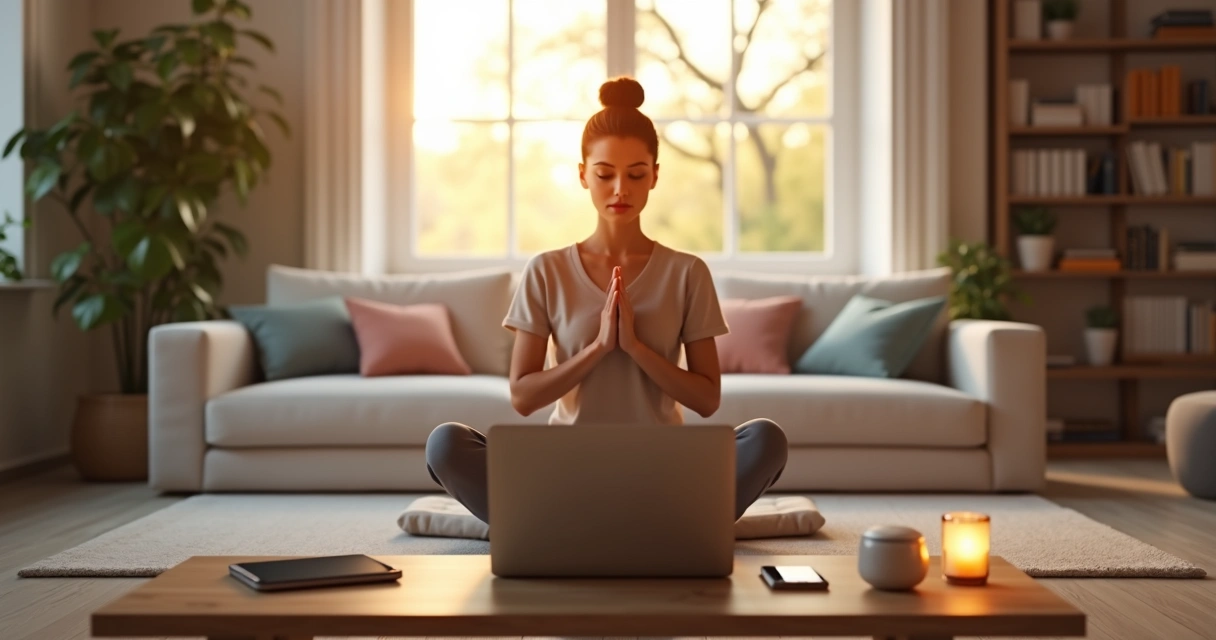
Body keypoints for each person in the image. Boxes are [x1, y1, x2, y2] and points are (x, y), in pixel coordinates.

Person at [425, 76, 788, 526]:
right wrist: (598, 348)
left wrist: (636, 347)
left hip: (663, 469)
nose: (620, 189)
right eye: (604, 174)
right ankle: (643, 527)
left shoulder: (687, 272)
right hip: (567, 468)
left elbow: (707, 398)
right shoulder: (547, 270)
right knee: (446, 443)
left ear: (655, 175)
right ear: (583, 175)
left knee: (765, 438)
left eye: (636, 174)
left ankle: (575, 527)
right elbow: (522, 396)